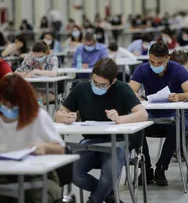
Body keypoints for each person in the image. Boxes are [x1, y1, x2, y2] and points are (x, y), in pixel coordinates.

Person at [55, 58, 148, 203]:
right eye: (95, 82)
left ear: (113, 81)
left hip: (117, 142)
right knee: (74, 173)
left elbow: (143, 114)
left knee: (109, 176)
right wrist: (66, 117)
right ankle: (110, 196)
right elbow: (58, 114)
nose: (97, 86)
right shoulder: (81, 89)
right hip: (89, 142)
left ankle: (94, 200)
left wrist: (119, 119)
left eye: (103, 85)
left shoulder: (122, 89)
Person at [129, 42, 188, 186]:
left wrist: (178, 96)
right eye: (152, 62)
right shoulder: (142, 69)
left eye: (159, 62)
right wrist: (138, 97)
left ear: (168, 58)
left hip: (174, 114)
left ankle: (161, 167)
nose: (155, 65)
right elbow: (130, 92)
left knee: (176, 127)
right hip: (151, 115)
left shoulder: (177, 69)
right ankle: (146, 168)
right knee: (136, 128)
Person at [0, 74, 65, 203]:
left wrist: (45, 147)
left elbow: (61, 149)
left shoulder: (38, 116)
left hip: (36, 177)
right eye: (4, 104)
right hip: (3, 177)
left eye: (14, 105)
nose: (9, 108)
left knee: (36, 198)